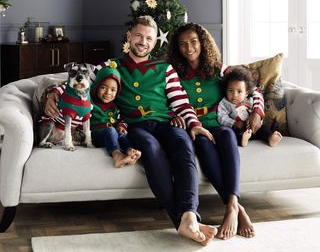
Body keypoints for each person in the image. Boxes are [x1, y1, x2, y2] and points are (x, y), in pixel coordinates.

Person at [44, 16, 217, 245]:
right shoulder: (111, 66)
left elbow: (181, 103)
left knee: (184, 146)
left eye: (148, 38)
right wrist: (53, 93)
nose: (143, 41)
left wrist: (194, 124)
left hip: (165, 122)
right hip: (134, 126)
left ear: (155, 42)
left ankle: (188, 214)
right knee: (150, 149)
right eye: (138, 35)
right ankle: (185, 221)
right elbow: (78, 79)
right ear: (129, 37)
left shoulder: (165, 68)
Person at [166, 22, 265, 240]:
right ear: (177, 48)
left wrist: (258, 110)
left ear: (203, 42)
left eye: (193, 42)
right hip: (195, 126)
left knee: (228, 135)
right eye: (182, 44)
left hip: (220, 121)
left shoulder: (219, 69)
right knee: (203, 146)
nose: (189, 48)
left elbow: (253, 89)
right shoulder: (173, 72)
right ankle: (238, 209)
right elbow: (167, 100)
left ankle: (232, 207)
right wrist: (174, 116)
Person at [90, 62, 141, 168]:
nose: (108, 92)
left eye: (113, 90)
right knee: (111, 130)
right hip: (96, 135)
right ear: (96, 86)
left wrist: (121, 126)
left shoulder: (115, 107)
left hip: (112, 134)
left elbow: (121, 119)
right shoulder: (91, 103)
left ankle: (130, 152)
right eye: (103, 87)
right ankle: (117, 155)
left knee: (122, 135)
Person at [218, 66, 282, 147]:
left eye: (239, 91)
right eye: (230, 90)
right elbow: (221, 117)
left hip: (254, 127)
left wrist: (256, 120)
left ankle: (270, 138)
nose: (234, 95)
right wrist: (234, 123)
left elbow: (257, 113)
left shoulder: (250, 100)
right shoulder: (224, 103)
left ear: (246, 93)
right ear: (226, 90)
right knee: (234, 133)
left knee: (264, 129)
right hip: (239, 128)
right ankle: (243, 140)